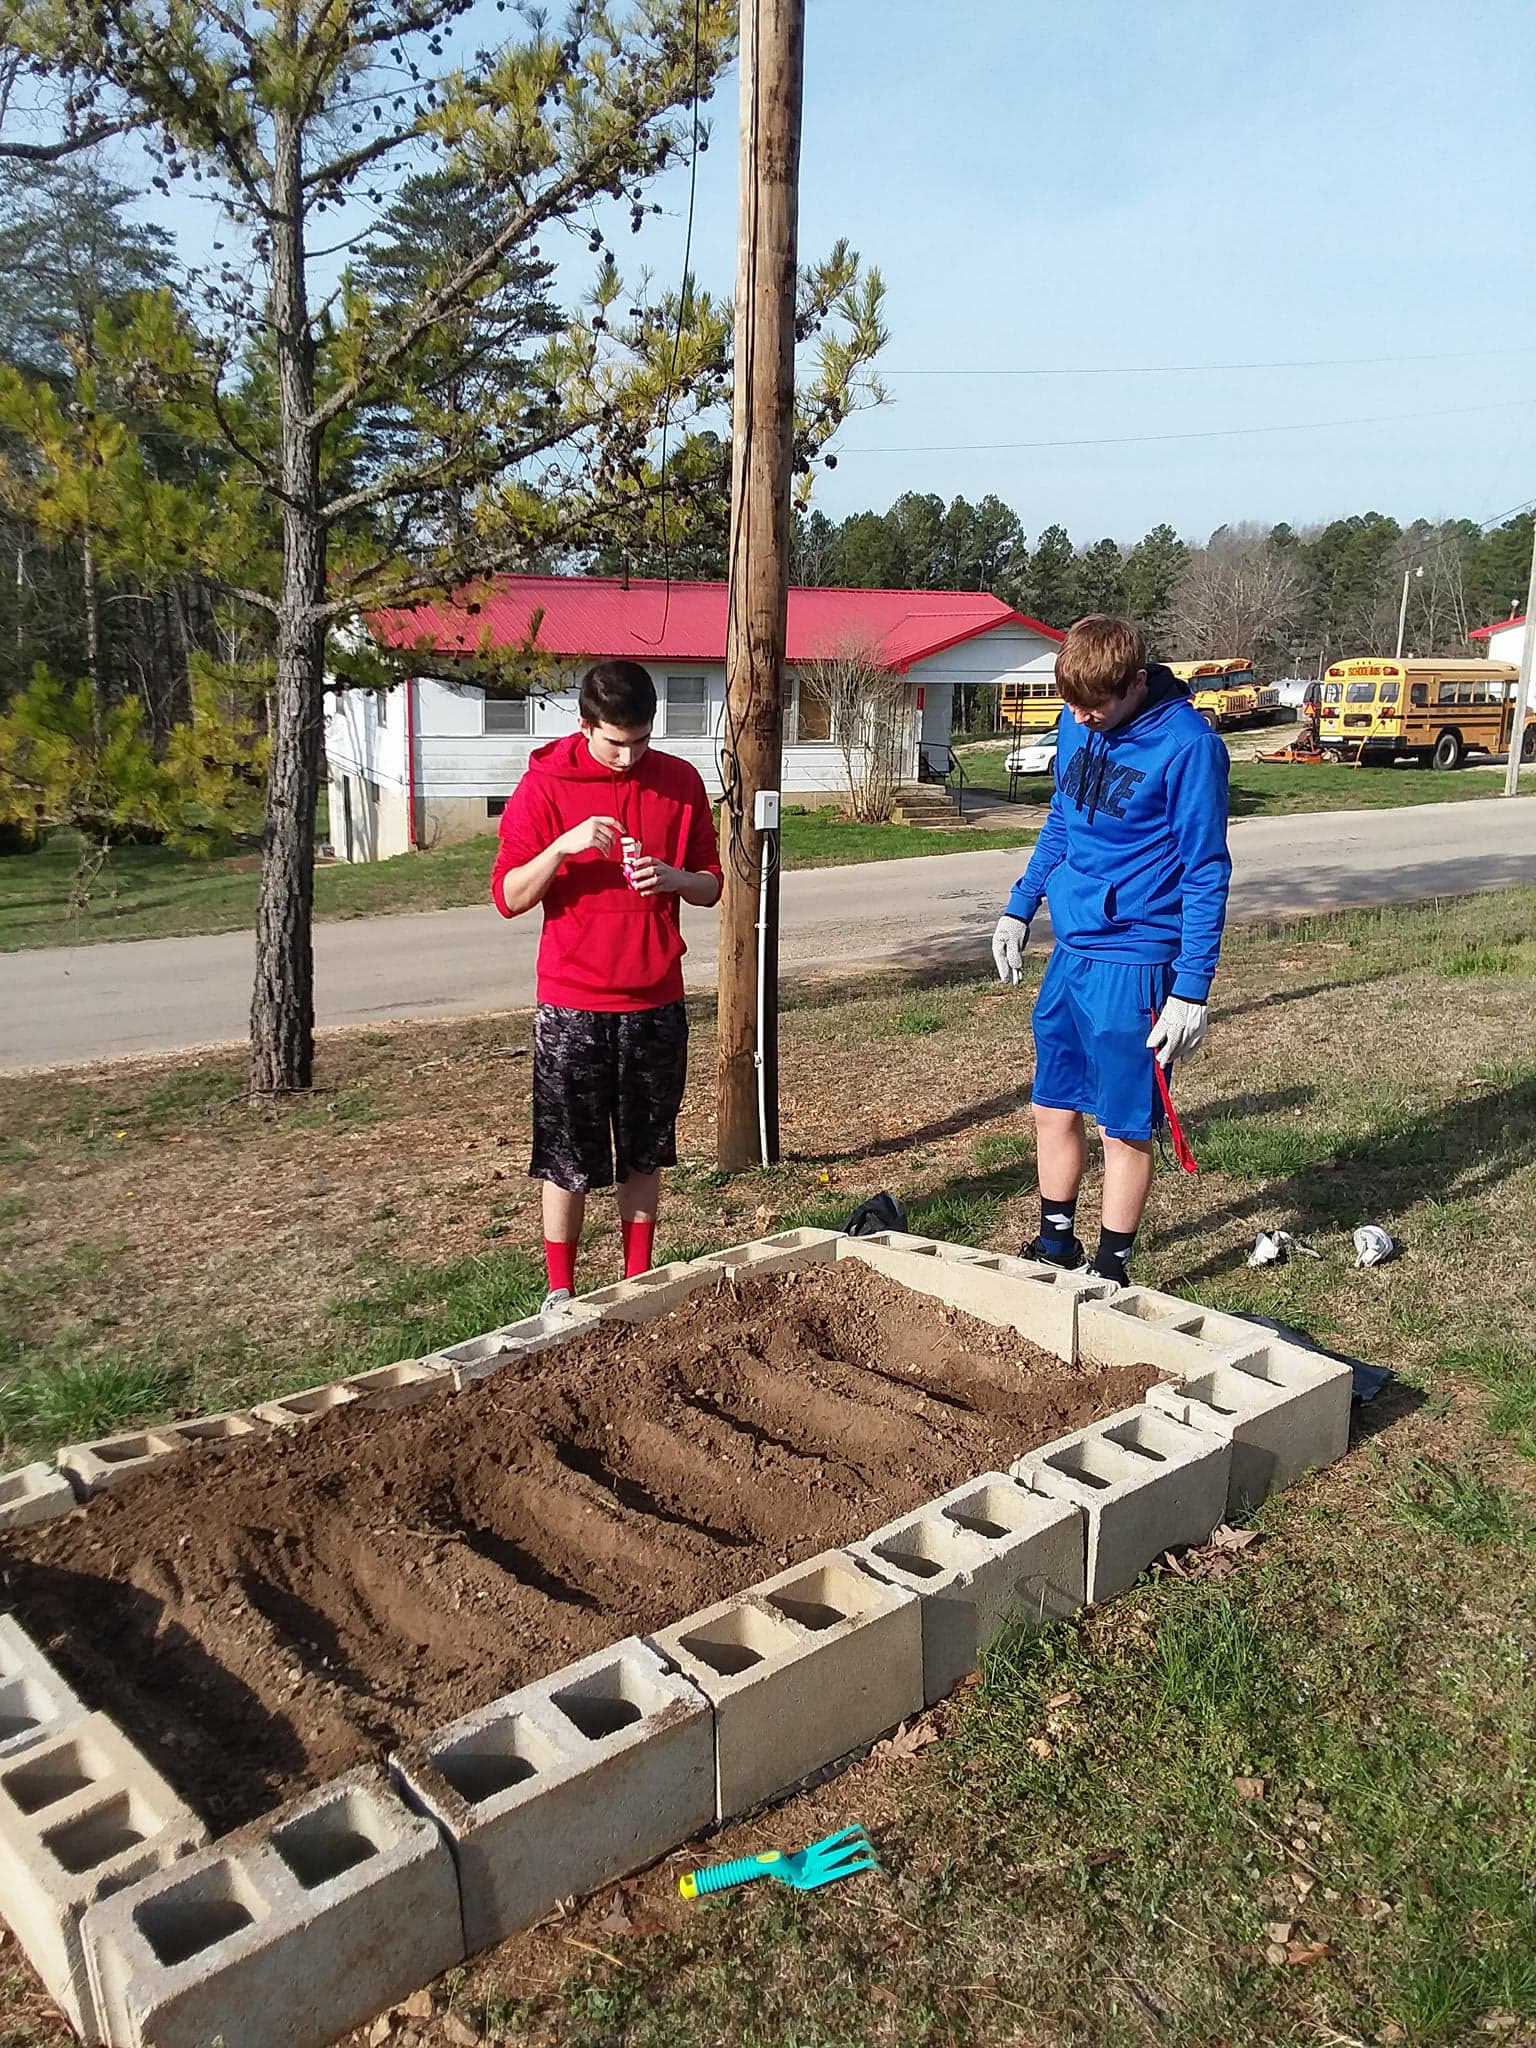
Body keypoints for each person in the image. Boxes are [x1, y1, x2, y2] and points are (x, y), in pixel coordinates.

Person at [991, 615, 1231, 1285]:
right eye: (1071, 704)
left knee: (1122, 1125)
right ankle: (1056, 1244)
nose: (1080, 718)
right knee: (1053, 1103)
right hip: (1074, 949)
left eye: (1094, 705)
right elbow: (1062, 821)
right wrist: (1021, 904)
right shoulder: (1076, 723)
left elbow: (1207, 869)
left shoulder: (1188, 748)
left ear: (1134, 683)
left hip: (1140, 957)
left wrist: (1191, 988)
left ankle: (1110, 1268)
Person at [490, 659, 723, 1312]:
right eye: (616, 742)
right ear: (587, 724)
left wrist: (675, 879)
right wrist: (561, 847)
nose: (629, 756)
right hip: (572, 1005)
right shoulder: (546, 783)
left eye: (642, 741)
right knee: (568, 1158)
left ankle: (636, 1281)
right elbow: (507, 896)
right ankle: (560, 1292)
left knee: (645, 1154)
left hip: (656, 1000)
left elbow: (712, 883)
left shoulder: (679, 782)